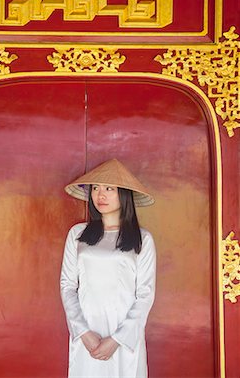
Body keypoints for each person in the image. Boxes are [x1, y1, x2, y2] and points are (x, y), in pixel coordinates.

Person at [60, 158, 156, 378]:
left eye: (109, 189)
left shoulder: (142, 239)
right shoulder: (78, 234)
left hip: (124, 337)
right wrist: (82, 331)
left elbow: (145, 294)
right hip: (87, 336)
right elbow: (67, 286)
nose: (100, 195)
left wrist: (118, 339)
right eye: (95, 188)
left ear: (124, 194)